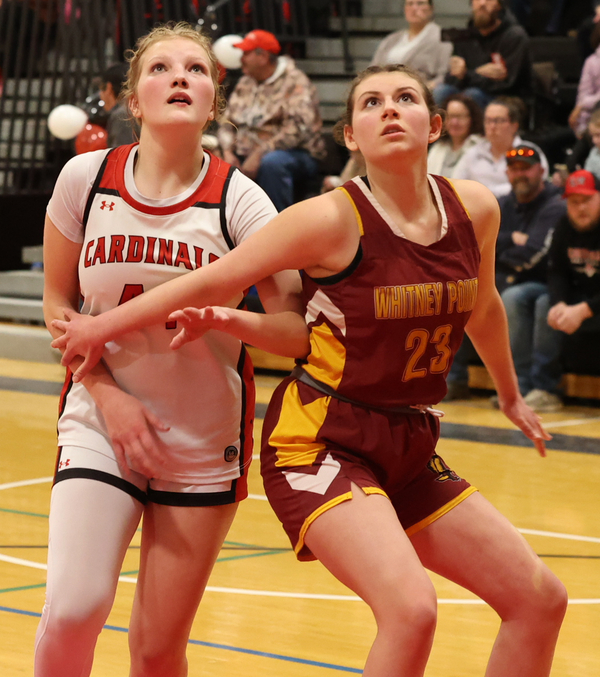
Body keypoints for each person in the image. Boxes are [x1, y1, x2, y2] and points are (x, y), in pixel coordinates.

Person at [50, 63, 567, 677]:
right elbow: (213, 279)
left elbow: (482, 307)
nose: (390, 109)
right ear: (350, 136)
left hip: (408, 439)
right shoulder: (326, 218)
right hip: (321, 439)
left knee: (541, 601)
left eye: (405, 98)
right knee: (411, 609)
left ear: (434, 125)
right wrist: (100, 327)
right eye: (371, 102)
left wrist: (509, 395)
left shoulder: (475, 207)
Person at [35, 22, 307, 677]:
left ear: (212, 102)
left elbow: (295, 330)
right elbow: (58, 306)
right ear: (134, 100)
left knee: (157, 651)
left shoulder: (242, 200)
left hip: (201, 436)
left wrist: (227, 318)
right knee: (73, 607)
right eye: (160, 68)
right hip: (100, 419)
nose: (180, 76)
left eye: (196, 69)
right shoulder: (84, 178)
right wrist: (108, 397)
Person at [216, 29, 326, 211]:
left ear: (263, 57)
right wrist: (227, 151)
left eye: (246, 53)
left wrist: (260, 154)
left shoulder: (295, 81)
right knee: (215, 160)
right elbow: (228, 122)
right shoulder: (246, 82)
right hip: (246, 151)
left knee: (272, 163)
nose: (241, 58)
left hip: (295, 154)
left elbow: (298, 129)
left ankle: (275, 221)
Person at [493, 144, 566, 411]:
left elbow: (533, 253)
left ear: (541, 171)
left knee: (534, 301)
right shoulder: (502, 203)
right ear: (506, 173)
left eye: (526, 168)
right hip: (516, 279)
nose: (519, 174)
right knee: (508, 296)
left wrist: (500, 251)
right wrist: (511, 239)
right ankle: (519, 387)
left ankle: (543, 387)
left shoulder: (555, 203)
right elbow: (478, 242)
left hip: (554, 280)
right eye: (514, 169)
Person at [546, 168, 600, 390]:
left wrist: (585, 310)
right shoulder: (564, 226)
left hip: (594, 302)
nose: (581, 208)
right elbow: (556, 271)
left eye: (587, 200)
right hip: (578, 294)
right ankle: (543, 388)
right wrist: (558, 302)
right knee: (544, 306)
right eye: (574, 202)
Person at [433, 0, 531, 109]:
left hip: (506, 99)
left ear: (499, 5)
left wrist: (467, 75)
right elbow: (452, 78)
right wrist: (474, 73)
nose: (482, 3)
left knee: (472, 95)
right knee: (441, 91)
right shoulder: (466, 36)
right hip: (470, 90)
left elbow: (508, 84)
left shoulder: (514, 36)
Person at [452, 96, 548, 198]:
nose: (492, 127)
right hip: (477, 205)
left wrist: (487, 194)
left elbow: (539, 184)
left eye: (498, 121)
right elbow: (455, 185)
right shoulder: (473, 153)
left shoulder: (529, 151)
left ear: (514, 126)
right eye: (488, 121)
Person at [370, 0, 452, 89]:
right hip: (381, 87)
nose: (414, 8)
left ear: (431, 9)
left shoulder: (441, 37)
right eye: (410, 4)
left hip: (416, 89)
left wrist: (426, 88)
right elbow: (373, 68)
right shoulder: (392, 39)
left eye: (420, 3)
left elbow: (444, 75)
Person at [427, 93, 483, 177]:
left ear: (472, 119)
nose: (454, 122)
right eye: (451, 116)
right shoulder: (438, 148)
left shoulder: (480, 148)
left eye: (460, 116)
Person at [99, 62, 140, 147]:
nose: (100, 95)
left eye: (102, 88)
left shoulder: (122, 115)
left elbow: (121, 153)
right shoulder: (135, 108)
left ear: (109, 87)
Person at [584, 108, 600, 178]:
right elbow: (587, 175)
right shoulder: (594, 152)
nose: (594, 140)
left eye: (598, 135)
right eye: (592, 136)